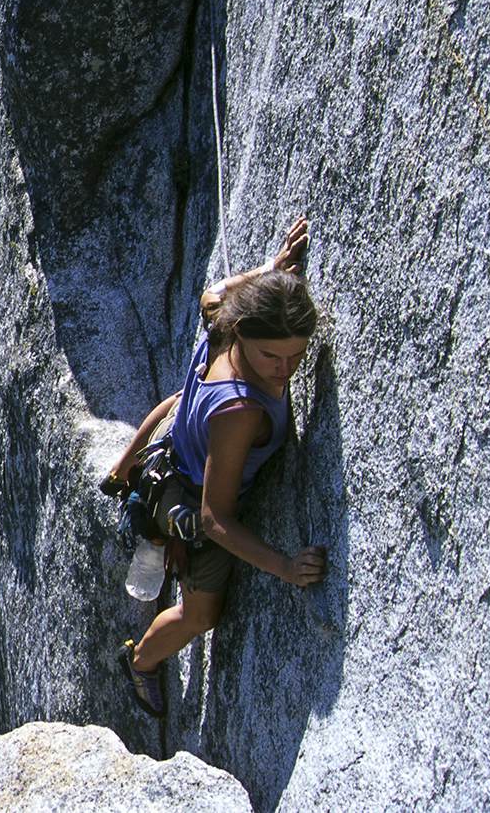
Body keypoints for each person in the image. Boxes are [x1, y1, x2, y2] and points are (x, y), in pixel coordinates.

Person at [107, 215, 328, 717]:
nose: (284, 369)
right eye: (272, 355)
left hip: (173, 450)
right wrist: (286, 568)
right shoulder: (240, 411)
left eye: (295, 357)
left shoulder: (222, 324)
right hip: (187, 496)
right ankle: (140, 663)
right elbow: (214, 519)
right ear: (248, 332)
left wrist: (270, 273)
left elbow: (211, 293)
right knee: (201, 613)